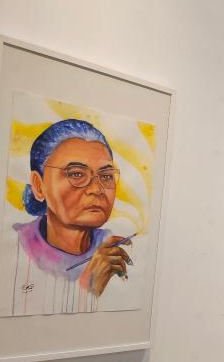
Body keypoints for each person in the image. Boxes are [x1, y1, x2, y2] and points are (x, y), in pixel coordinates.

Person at [7, 119, 132, 315]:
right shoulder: (14, 247)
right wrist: (89, 286)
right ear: (39, 186)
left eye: (106, 176)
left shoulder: (116, 250)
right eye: (76, 174)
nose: (96, 189)